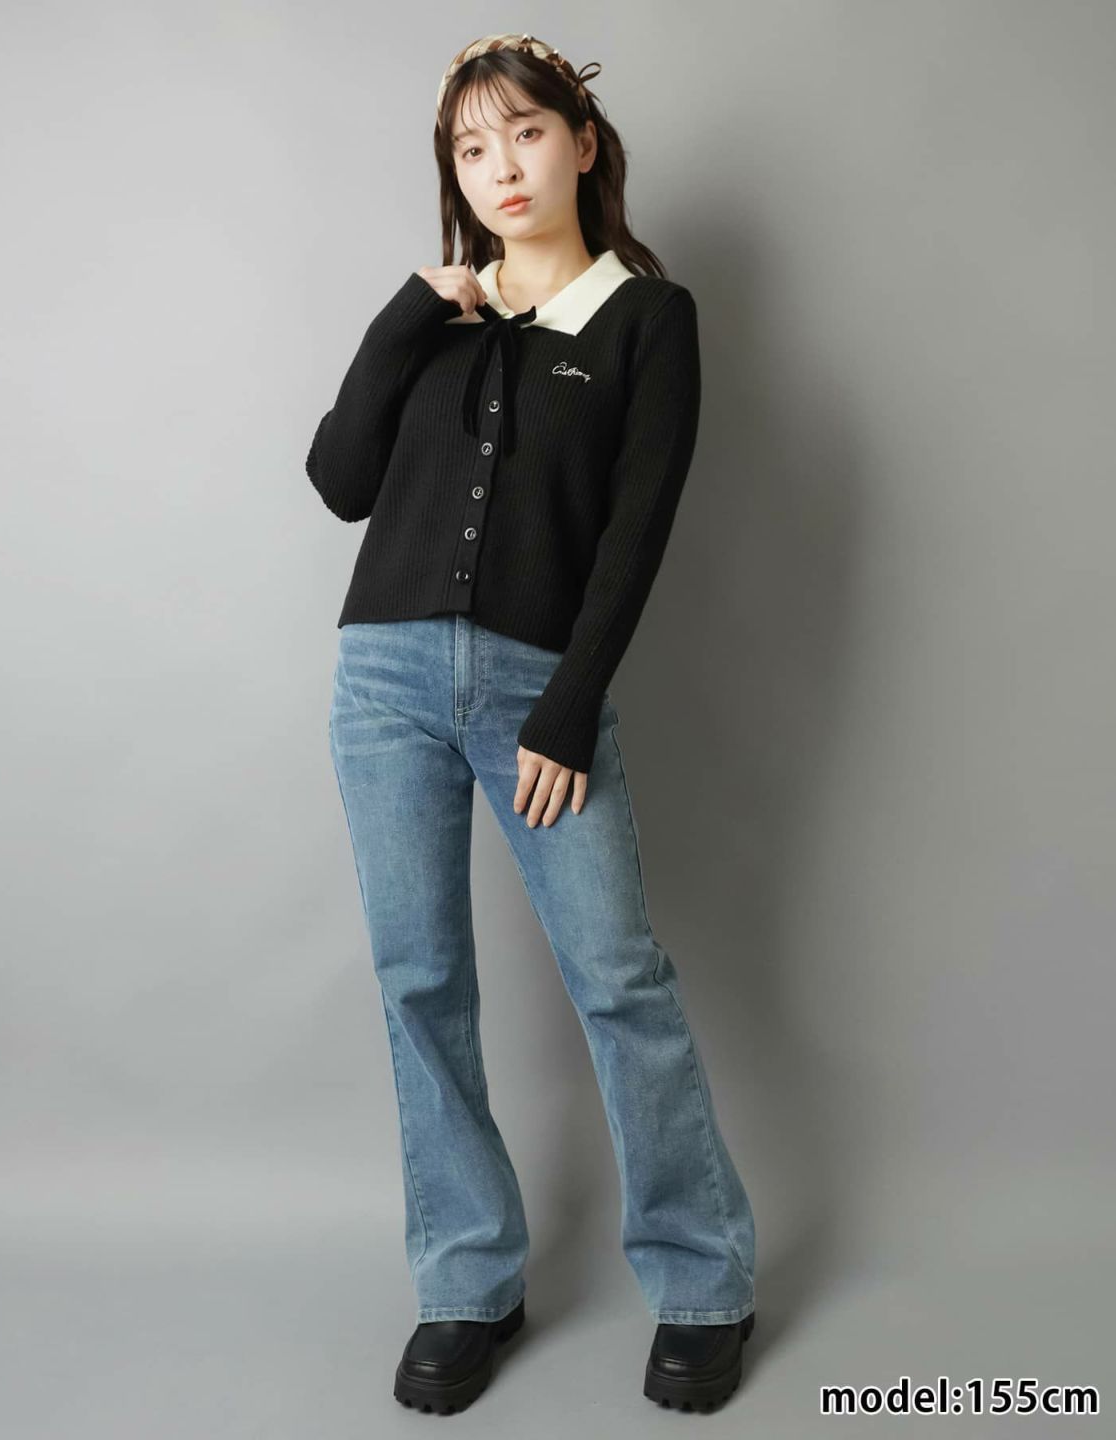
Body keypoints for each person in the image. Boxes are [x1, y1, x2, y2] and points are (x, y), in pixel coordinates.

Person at [306, 31, 756, 1415]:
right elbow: (338, 480)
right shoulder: (435, 319)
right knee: (419, 983)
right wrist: (408, 313)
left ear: (582, 143)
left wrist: (565, 710)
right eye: (471, 146)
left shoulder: (645, 318)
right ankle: (467, 1282)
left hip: (534, 694)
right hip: (383, 685)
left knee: (619, 980)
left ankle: (704, 1283)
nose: (500, 166)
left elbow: (634, 533)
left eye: (526, 133)